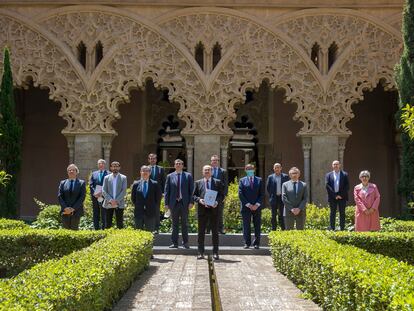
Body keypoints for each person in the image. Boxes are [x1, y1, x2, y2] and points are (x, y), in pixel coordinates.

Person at [193, 165, 224, 260]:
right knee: (201, 232)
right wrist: (199, 200)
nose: (207, 171)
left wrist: (217, 202)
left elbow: (221, 195)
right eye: (205, 170)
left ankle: (215, 252)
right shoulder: (198, 183)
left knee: (215, 232)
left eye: (208, 170)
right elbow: (193, 196)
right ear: (202, 172)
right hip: (202, 210)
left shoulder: (217, 182)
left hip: (214, 210)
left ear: (212, 172)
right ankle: (200, 252)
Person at [164, 159, 194, 248]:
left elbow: (191, 190)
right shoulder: (170, 176)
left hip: (184, 203)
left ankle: (185, 243)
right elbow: (167, 191)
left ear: (182, 166)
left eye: (179, 164)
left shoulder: (188, 176)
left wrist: (191, 202)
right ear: (174, 165)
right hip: (173, 203)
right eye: (176, 163)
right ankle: (175, 243)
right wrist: (166, 203)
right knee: (174, 224)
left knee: (184, 224)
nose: (178, 165)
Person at [238, 164, 264, 249]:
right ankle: (247, 243)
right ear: (245, 170)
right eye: (248, 169)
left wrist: (256, 204)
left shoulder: (259, 180)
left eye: (251, 169)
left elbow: (262, 194)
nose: (250, 170)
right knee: (246, 226)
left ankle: (256, 243)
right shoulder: (242, 181)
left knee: (257, 225)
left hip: (257, 207)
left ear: (254, 169)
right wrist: (249, 205)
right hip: (246, 207)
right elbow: (241, 194)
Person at [131, 165, 162, 232]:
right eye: (143, 171)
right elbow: (133, 198)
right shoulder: (136, 184)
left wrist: (153, 206)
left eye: (147, 171)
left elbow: (158, 198)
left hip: (150, 212)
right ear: (140, 172)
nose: (145, 172)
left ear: (150, 173)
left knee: (150, 233)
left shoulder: (155, 184)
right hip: (139, 212)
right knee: (138, 233)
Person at [58, 164, 86, 230]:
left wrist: (73, 208)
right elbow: (60, 196)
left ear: (76, 172)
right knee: (65, 231)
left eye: (73, 170)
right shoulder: (63, 183)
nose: (71, 171)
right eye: (69, 170)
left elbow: (82, 197)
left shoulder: (81, 183)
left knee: (74, 230)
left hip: (76, 211)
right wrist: (65, 208)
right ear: (67, 172)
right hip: (65, 211)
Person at [325, 160, 350, 231]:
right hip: (332, 197)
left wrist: (340, 195)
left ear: (339, 165)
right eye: (334, 164)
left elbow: (347, 186)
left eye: (337, 164)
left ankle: (342, 229)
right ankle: (332, 228)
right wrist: (335, 195)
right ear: (332, 166)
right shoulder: (328, 175)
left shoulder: (345, 174)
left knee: (342, 213)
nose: (335, 166)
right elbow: (327, 186)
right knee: (332, 213)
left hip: (342, 197)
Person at [102, 161, 127, 229]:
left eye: (116, 166)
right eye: (113, 166)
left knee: (120, 224)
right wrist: (110, 200)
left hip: (119, 203)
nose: (115, 167)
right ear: (111, 168)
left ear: (119, 167)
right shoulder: (106, 178)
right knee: (107, 224)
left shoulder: (123, 178)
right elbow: (103, 190)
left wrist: (116, 201)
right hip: (108, 203)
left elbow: (124, 191)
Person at [266, 163, 289, 230]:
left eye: (278, 167)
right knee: (273, 215)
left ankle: (283, 229)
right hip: (274, 198)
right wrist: (272, 195)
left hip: (282, 198)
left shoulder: (285, 176)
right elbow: (268, 187)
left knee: (282, 215)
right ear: (273, 168)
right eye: (275, 167)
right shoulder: (270, 177)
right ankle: (274, 229)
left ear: (281, 168)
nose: (277, 169)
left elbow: (287, 187)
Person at [209, 155, 228, 234]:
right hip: (210, 194)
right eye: (213, 160)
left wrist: (225, 195)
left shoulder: (223, 171)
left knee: (219, 212)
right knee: (210, 212)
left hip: (220, 195)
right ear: (211, 162)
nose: (215, 162)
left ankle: (220, 229)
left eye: (216, 160)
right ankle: (209, 229)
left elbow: (226, 183)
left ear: (218, 161)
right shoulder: (208, 170)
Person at [89, 159, 110, 230]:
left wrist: (102, 193)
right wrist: (95, 193)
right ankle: (96, 228)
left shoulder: (109, 174)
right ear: (98, 165)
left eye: (102, 163)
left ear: (104, 165)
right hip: (95, 196)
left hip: (105, 196)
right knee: (96, 212)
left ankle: (104, 228)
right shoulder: (93, 173)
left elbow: (109, 185)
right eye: (99, 164)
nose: (101, 165)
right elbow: (91, 184)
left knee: (104, 212)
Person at [148, 153, 166, 232]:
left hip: (158, 193)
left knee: (156, 210)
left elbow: (164, 181)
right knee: (148, 210)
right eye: (151, 158)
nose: (152, 160)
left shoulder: (160, 169)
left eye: (154, 158)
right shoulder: (146, 168)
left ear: (156, 160)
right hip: (148, 193)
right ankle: (149, 227)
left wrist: (163, 192)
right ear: (148, 160)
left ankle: (157, 228)